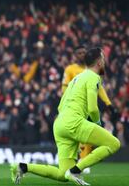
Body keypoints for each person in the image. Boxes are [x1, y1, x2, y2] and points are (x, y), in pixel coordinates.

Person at [11, 48, 121, 185]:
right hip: (73, 122)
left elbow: (60, 105)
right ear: (99, 62)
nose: (104, 62)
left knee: (62, 174)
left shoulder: (76, 78)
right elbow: (93, 108)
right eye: (103, 59)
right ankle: (76, 170)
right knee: (114, 144)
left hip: (60, 124)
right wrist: (98, 124)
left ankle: (22, 167)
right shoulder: (94, 77)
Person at [62, 45, 115, 173]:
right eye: (78, 53)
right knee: (82, 135)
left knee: (87, 137)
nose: (81, 55)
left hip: (89, 105)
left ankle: (82, 162)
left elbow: (99, 88)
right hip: (77, 106)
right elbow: (65, 87)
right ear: (75, 55)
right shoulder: (70, 69)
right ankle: (78, 163)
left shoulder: (92, 72)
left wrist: (108, 103)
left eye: (83, 53)